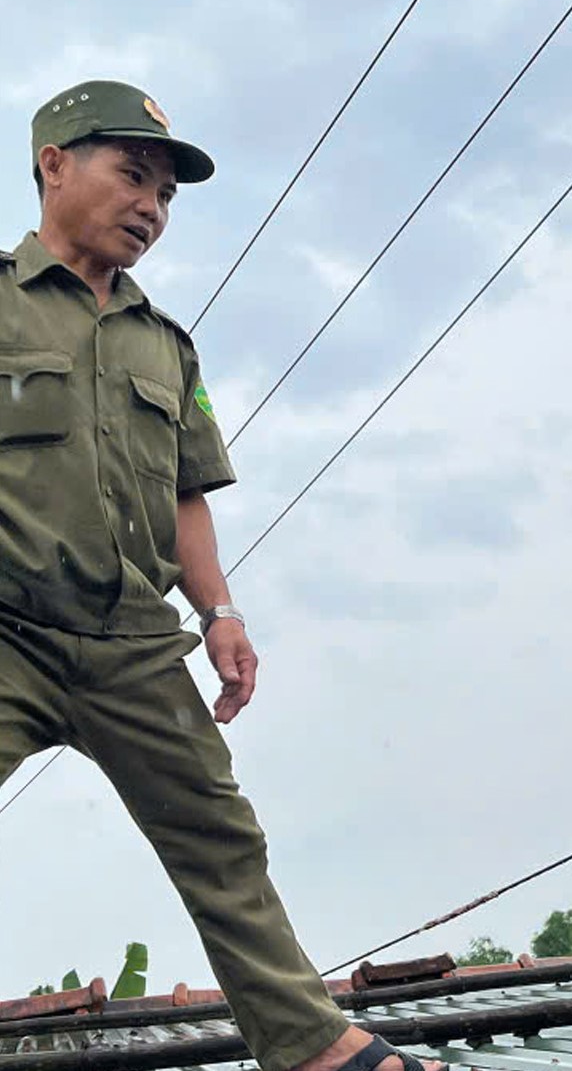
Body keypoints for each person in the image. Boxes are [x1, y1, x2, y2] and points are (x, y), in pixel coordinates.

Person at [0, 81, 435, 1071]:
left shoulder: (167, 346)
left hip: (132, 644)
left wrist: (221, 613)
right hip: (9, 628)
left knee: (220, 841)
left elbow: (189, 491)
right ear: (53, 165)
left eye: (166, 193)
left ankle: (309, 1046)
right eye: (132, 176)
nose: (151, 206)